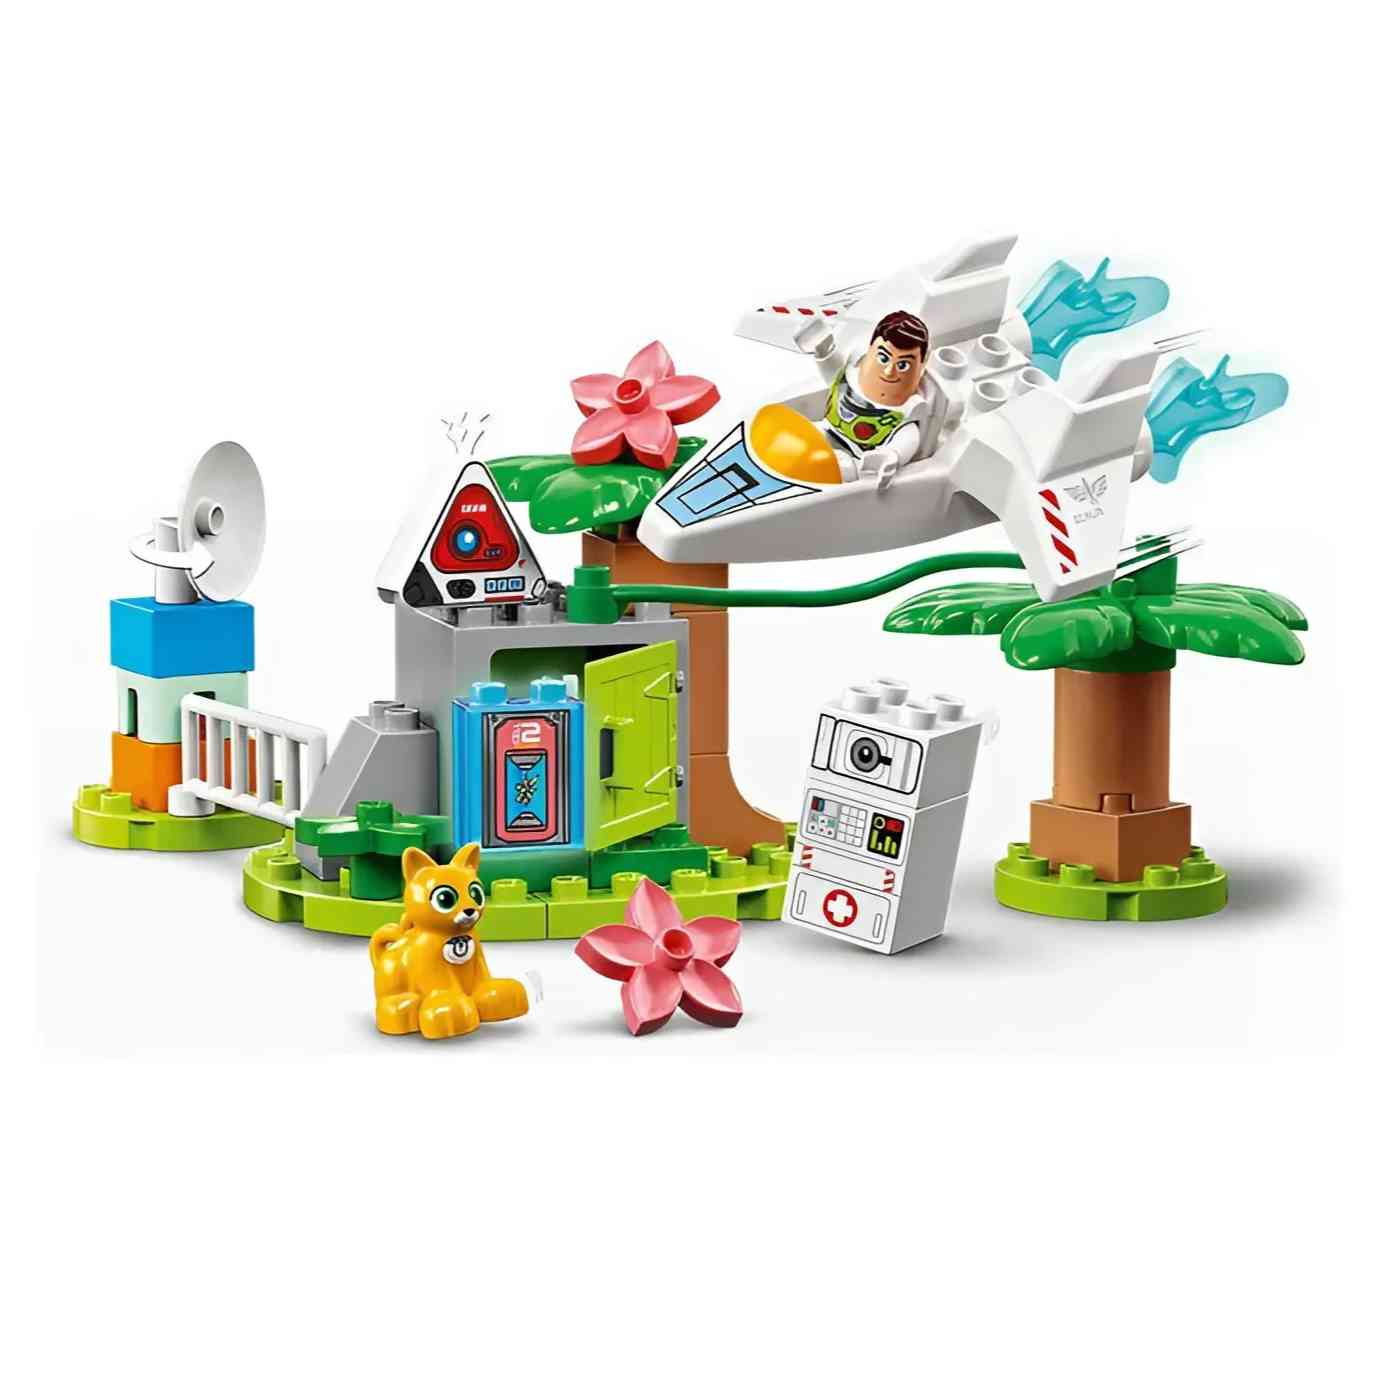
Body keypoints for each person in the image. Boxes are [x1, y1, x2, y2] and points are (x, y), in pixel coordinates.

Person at [795, 309, 937, 489]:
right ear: (871, 350)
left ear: (920, 368)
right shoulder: (849, 376)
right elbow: (832, 373)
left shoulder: (906, 412)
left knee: (838, 468)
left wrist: (892, 454)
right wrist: (823, 349)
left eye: (902, 365)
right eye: (883, 358)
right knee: (799, 434)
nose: (889, 372)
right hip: (827, 430)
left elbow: (908, 439)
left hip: (857, 461)